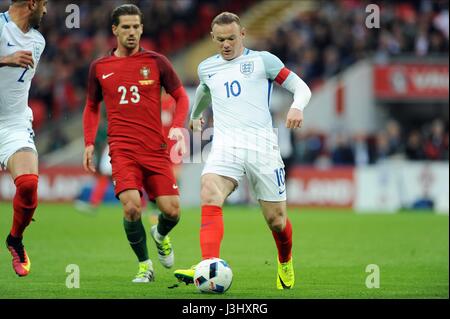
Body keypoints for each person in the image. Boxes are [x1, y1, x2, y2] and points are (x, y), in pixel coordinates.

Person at [174, 12, 311, 290]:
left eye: (232, 38)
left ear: (243, 34)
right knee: (209, 189)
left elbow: (301, 87)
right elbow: (204, 90)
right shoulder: (207, 67)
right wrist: (195, 114)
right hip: (225, 143)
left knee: (276, 220)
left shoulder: (263, 61)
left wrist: (297, 106)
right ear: (213, 38)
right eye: (221, 39)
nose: (226, 44)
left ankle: (285, 260)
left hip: (262, 145)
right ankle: (208, 264)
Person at [82, 4, 189, 283]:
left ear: (142, 28)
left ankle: (161, 235)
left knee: (172, 211)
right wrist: (89, 143)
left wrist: (177, 126)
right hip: (122, 149)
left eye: (136, 26)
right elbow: (92, 106)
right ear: (114, 30)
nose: (131, 32)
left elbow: (182, 96)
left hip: (155, 149)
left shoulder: (157, 62)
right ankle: (145, 266)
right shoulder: (100, 67)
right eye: (125, 27)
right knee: (131, 207)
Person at [0, 0, 47, 277]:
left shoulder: (38, 42)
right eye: (44, 4)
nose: (47, 10)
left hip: (13, 123)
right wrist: (5, 59)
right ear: (32, 3)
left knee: (28, 185)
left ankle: (15, 239)